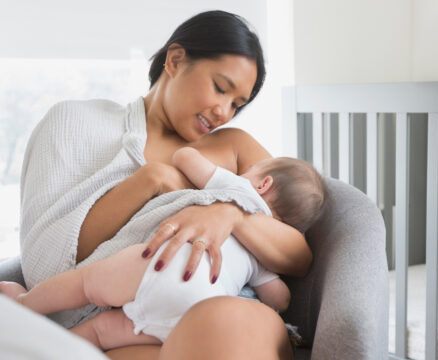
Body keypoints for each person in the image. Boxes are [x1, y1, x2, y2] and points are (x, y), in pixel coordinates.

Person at [11, 10, 315, 360]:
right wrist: (151, 179)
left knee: (222, 325)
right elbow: (46, 266)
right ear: (175, 60)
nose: (224, 113)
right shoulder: (76, 124)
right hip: (130, 326)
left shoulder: (235, 147)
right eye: (220, 88)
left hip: (229, 310)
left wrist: (231, 215)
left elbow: (299, 256)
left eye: (237, 105)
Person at [0, 146, 327, 351]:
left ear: (263, 183)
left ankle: (26, 304)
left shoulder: (237, 189)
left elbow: (183, 157)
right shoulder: (262, 253)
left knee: (85, 283)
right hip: (195, 308)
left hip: (158, 266)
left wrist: (212, 178)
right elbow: (280, 298)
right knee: (100, 336)